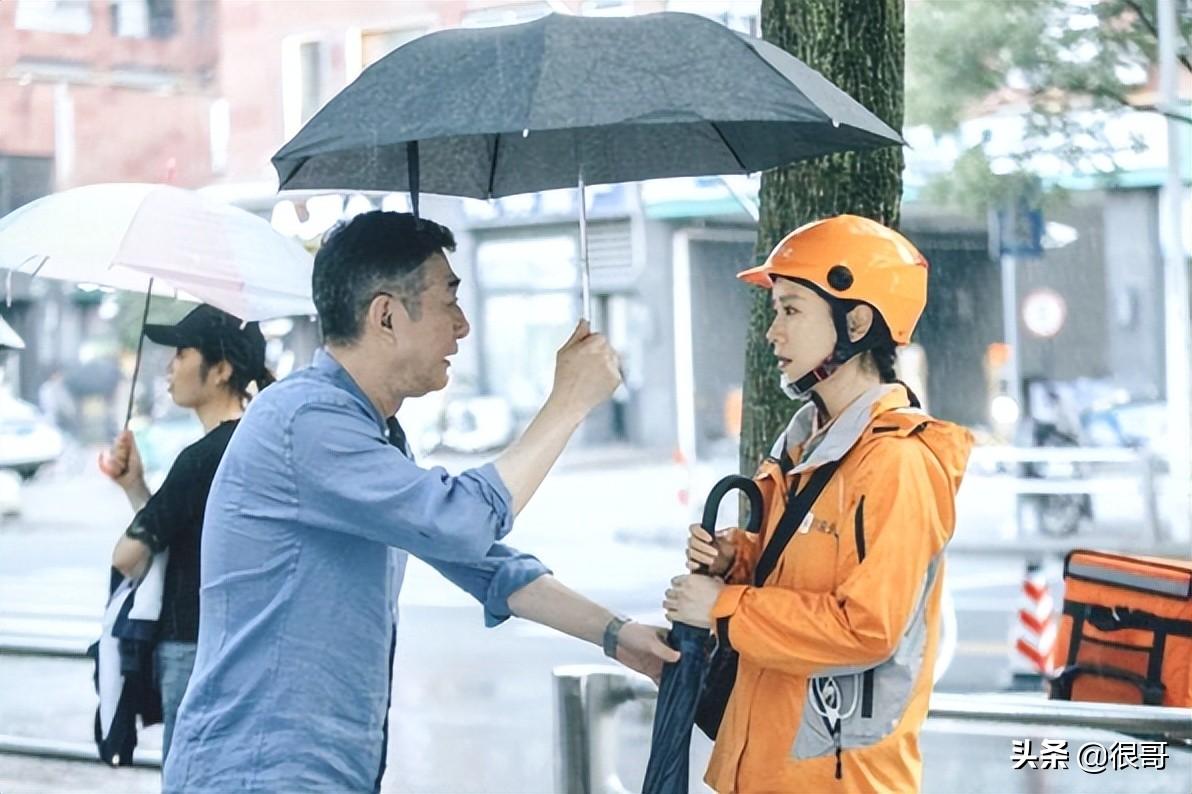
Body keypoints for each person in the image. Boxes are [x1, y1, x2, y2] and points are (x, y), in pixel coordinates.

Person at [163, 211, 677, 793]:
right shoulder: (305, 420)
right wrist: (568, 403)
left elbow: (484, 563)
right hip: (259, 773)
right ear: (385, 315)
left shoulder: (369, 430)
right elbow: (459, 522)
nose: (462, 326)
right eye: (448, 301)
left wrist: (618, 636)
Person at [665, 215, 973, 793]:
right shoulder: (807, 448)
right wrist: (737, 558)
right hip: (767, 771)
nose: (773, 333)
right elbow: (804, 575)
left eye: (791, 310)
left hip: (838, 781)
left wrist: (724, 608)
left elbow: (868, 627)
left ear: (855, 321)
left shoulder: (896, 464)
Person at [98, 304, 273, 762]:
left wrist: (137, 500)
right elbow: (178, 531)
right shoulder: (254, 444)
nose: (169, 367)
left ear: (221, 369)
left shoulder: (202, 458)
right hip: (244, 647)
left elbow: (128, 555)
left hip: (190, 646)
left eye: (181, 354)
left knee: (188, 776)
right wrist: (135, 486)